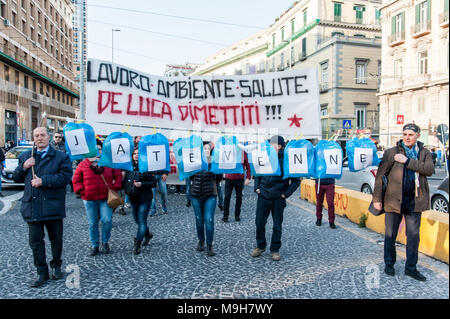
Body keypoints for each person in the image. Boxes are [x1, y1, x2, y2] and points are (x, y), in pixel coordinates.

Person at [373, 123, 434, 281]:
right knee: (390, 234)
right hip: (393, 200)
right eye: (405, 134)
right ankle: (389, 264)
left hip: (415, 201)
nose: (407, 137)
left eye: (411, 134)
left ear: (417, 136)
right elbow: (380, 176)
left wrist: (407, 161)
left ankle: (411, 268)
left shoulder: (424, 153)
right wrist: (377, 199)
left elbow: (429, 169)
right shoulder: (391, 152)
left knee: (413, 236)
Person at [12, 127, 73, 288]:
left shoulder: (61, 156)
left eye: (42, 135)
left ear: (49, 137)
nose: (39, 138)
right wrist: (23, 166)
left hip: (52, 205)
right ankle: (41, 271)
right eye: (36, 135)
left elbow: (65, 178)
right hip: (32, 206)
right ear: (33, 138)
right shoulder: (26, 156)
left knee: (56, 239)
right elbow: (16, 177)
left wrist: (43, 181)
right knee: (35, 241)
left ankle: (56, 265)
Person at [252, 135, 300, 261]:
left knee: (277, 225)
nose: (269, 147)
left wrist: (285, 194)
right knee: (259, 223)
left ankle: (275, 249)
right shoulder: (264, 156)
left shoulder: (287, 160)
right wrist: (257, 188)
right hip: (263, 196)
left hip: (278, 197)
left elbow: (296, 181)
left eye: (272, 145)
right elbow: (257, 174)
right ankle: (260, 246)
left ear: (279, 146)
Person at [72, 139, 123, 256]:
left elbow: (118, 175)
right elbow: (76, 180)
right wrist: (81, 191)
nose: (96, 151)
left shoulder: (109, 162)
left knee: (107, 220)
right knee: (93, 223)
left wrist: (115, 187)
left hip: (105, 198)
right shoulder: (83, 164)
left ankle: (105, 242)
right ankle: (95, 245)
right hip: (89, 199)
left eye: (98, 149)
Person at [189, 141, 223, 257]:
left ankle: (209, 245)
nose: (206, 150)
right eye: (204, 149)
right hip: (196, 194)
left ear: (210, 151)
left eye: (208, 149)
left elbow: (219, 178)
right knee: (199, 220)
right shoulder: (194, 162)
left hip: (210, 195)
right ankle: (201, 240)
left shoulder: (214, 162)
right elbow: (190, 177)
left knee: (209, 220)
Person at [123, 147, 157, 254]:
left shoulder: (146, 167)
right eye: (134, 154)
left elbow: (153, 183)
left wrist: (141, 184)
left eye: (138, 153)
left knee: (142, 221)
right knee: (137, 220)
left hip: (145, 198)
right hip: (133, 198)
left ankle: (137, 243)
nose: (136, 155)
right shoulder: (128, 167)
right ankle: (147, 234)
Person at [222, 151, 251, 222]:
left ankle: (237, 215)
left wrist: (248, 177)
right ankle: (225, 216)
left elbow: (248, 165)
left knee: (239, 197)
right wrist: (222, 172)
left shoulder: (242, 152)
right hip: (229, 179)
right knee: (227, 197)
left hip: (239, 179)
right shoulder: (228, 150)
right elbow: (223, 162)